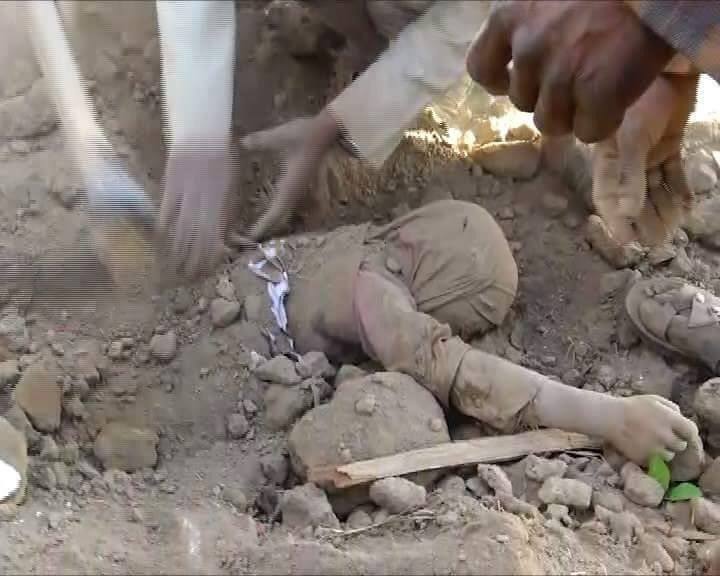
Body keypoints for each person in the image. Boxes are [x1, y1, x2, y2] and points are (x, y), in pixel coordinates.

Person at [245, 199, 701, 466]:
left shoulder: (353, 241)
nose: (458, 330)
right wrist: (614, 417)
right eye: (470, 315)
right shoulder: (373, 291)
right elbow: (456, 370)